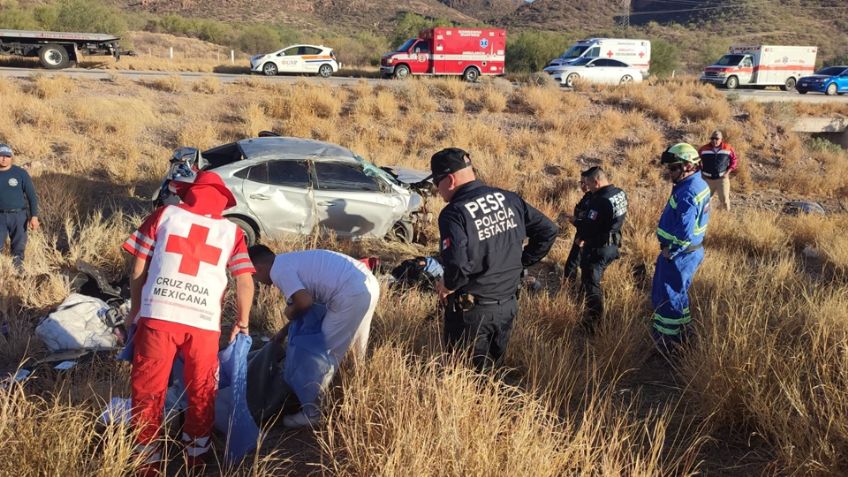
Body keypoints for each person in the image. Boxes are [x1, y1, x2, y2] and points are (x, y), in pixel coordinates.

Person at [123, 171, 255, 472]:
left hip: (159, 315)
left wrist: (135, 308)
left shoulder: (164, 215)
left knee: (148, 389)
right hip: (204, 323)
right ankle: (195, 456)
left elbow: (138, 268)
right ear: (223, 200)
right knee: (201, 390)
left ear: (189, 192)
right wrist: (243, 320)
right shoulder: (231, 232)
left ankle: (147, 460)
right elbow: (245, 281)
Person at [429, 147, 558, 371]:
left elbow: (458, 266)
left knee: (465, 378)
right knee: (492, 373)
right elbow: (548, 230)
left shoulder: (454, 213)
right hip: (507, 306)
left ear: (449, 179)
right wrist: (521, 262)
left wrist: (447, 285)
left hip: (471, 314)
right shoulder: (509, 199)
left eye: (435, 183)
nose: (436, 190)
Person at [248, 245, 379, 428]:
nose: (258, 281)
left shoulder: (279, 272)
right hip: (367, 284)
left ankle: (312, 413)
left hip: (349, 294)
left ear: (258, 269)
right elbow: (308, 305)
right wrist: (282, 333)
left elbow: (304, 302)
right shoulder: (289, 260)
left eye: (254, 276)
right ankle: (356, 397)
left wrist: (289, 312)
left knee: (319, 356)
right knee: (357, 351)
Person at [652, 143, 711, 350]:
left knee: (669, 297)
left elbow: (685, 232)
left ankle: (669, 344)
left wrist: (671, 251)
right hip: (689, 253)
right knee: (678, 293)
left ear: (688, 166)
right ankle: (683, 332)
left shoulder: (687, 193)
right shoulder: (698, 184)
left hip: (680, 255)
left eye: (673, 167)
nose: (669, 172)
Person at [570, 167, 627, 330]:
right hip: (613, 244)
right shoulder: (619, 193)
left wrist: (575, 222)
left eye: (587, 184)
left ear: (596, 181)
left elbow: (589, 226)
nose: (586, 188)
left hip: (598, 248)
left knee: (591, 282)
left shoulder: (599, 200)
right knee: (593, 279)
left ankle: (594, 322)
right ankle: (585, 302)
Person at [0, 143, 39, 269]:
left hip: (19, 216)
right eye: (1, 155)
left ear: (11, 157)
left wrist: (34, 216)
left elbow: (32, 196)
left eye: (7, 155)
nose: (4, 158)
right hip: (0, 216)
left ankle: (18, 271)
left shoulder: (20, 173)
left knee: (18, 247)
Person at [697, 130, 738, 211]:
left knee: (725, 200)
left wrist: (728, 172)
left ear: (721, 139)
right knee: (705, 200)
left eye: (716, 138)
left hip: (722, 179)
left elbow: (734, 160)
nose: (714, 140)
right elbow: (697, 161)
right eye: (712, 138)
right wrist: (701, 173)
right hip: (707, 179)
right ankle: (706, 217)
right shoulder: (703, 149)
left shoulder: (728, 148)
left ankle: (725, 217)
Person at [562, 175, 592, 282]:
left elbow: (589, 223)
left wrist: (574, 221)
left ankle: (569, 288)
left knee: (574, 263)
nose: (582, 186)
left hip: (585, 237)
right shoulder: (587, 196)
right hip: (581, 233)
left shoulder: (594, 200)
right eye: (581, 183)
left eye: (585, 183)